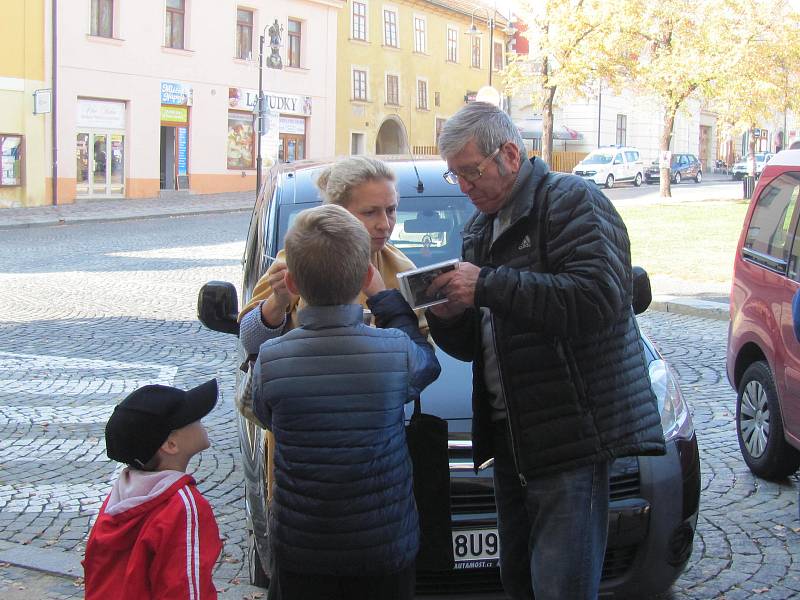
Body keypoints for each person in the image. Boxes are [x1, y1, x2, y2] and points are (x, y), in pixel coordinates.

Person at [425, 102, 666, 600]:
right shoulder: (479, 227)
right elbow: (482, 344)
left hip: (571, 436)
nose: (465, 187)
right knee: (521, 583)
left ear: (510, 153)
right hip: (512, 437)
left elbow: (598, 299)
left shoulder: (573, 201)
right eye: (457, 177)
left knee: (561, 585)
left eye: (471, 173)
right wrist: (449, 318)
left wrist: (487, 285)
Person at [251, 203, 440, 600]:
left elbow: (262, 412)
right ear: (366, 276)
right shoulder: (395, 352)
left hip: (304, 550)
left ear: (294, 283)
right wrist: (386, 301)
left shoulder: (272, 359)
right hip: (383, 549)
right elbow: (428, 363)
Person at [237, 155, 428, 502]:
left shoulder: (401, 268)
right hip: (304, 454)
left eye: (391, 210)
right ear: (337, 214)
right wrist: (277, 304)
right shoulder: (296, 261)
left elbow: (418, 358)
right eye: (371, 212)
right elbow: (251, 342)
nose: (385, 224)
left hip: (372, 449)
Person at [83, 379, 223, 600]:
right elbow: (186, 589)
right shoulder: (183, 506)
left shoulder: (117, 498)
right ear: (170, 445)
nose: (200, 418)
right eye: (191, 417)